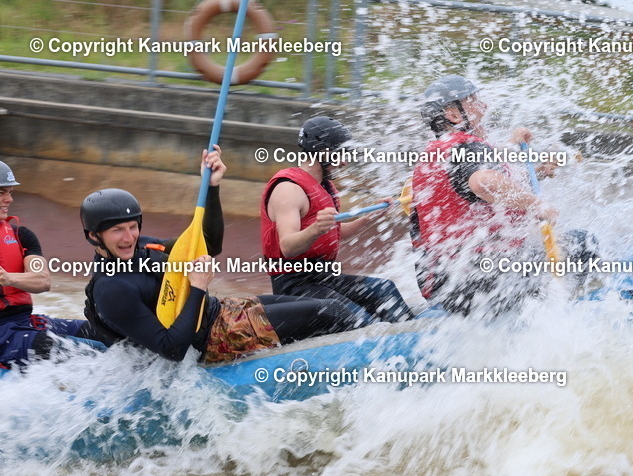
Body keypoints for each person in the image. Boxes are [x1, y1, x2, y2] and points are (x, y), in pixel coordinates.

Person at [81, 147, 372, 364]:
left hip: (222, 311)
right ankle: (368, 365)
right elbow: (172, 349)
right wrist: (197, 288)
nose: (129, 237)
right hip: (212, 340)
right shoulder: (112, 289)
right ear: (94, 236)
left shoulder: (144, 248)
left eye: (133, 227)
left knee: (324, 306)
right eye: (117, 231)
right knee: (331, 313)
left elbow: (209, 243)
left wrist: (211, 187)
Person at [411, 75, 593, 316]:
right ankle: (579, 313)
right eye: (474, 101)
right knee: (583, 244)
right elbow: (485, 183)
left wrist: (536, 171)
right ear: (453, 115)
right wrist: (536, 204)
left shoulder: (438, 152)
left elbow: (481, 189)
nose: (484, 106)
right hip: (482, 278)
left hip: (449, 284)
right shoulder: (466, 147)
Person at [261, 116, 414, 324]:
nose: (344, 162)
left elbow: (335, 232)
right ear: (322, 152)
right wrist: (316, 228)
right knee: (358, 319)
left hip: (322, 277)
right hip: (294, 284)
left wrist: (369, 219)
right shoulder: (289, 190)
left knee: (384, 289)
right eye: (340, 154)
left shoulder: (323, 185)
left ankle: (412, 336)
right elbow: (287, 246)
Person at [0, 160, 94, 369]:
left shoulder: (21, 235)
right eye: (1, 193)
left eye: (10, 192)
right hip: (2, 335)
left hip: (24, 321)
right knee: (70, 352)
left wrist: (8, 278)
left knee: (99, 330)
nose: (9, 199)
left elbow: (42, 280)